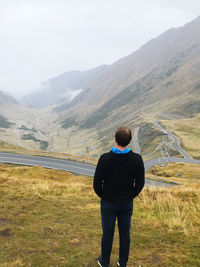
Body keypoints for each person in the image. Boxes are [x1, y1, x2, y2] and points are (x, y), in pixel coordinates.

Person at [93, 126, 145, 267]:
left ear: (115, 140)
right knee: (125, 234)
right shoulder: (137, 160)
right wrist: (130, 195)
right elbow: (140, 183)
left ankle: (104, 262)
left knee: (107, 233)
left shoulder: (105, 159)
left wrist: (104, 196)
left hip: (108, 202)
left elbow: (97, 183)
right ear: (129, 141)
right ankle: (122, 263)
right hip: (126, 202)